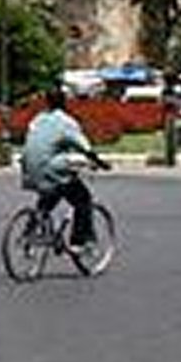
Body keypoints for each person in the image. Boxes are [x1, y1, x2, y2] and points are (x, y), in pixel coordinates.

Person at [19, 87, 109, 248]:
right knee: (82, 199)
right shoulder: (66, 122)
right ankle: (79, 241)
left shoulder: (37, 119)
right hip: (50, 169)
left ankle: (30, 230)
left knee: (49, 196)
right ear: (64, 101)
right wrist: (98, 161)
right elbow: (83, 146)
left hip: (29, 170)